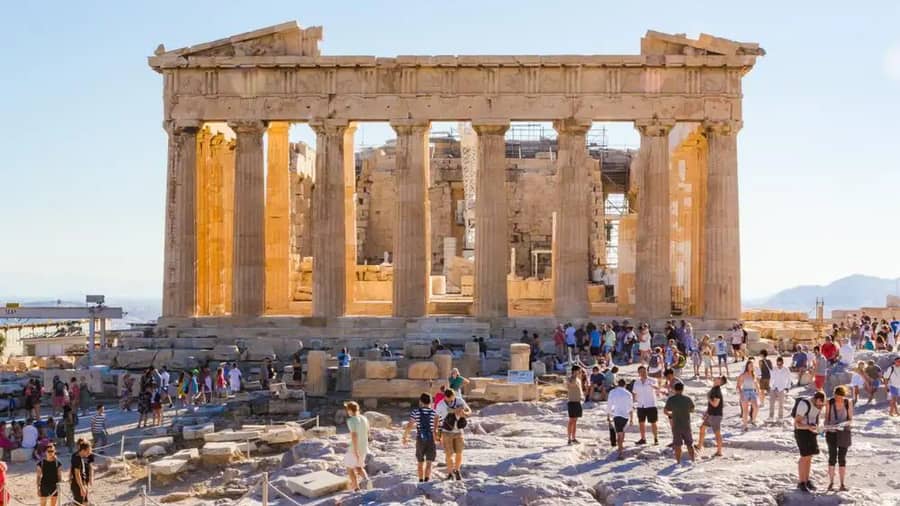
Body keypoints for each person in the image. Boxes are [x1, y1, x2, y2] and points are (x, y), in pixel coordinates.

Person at [435, 388, 471, 481]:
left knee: (459, 453)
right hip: (447, 432)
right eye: (448, 400)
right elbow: (437, 418)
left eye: (452, 399)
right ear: (445, 397)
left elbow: (469, 411)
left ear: (454, 396)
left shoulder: (459, 400)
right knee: (449, 454)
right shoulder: (440, 405)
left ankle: (457, 470)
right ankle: (450, 473)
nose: (450, 401)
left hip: (459, 431)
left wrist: (465, 414)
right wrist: (437, 433)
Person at [793, 391, 826, 493]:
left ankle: (807, 481)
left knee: (810, 456)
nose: (820, 407)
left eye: (822, 405)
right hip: (801, 432)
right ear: (816, 400)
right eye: (819, 404)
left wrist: (818, 428)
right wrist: (808, 427)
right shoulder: (804, 404)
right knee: (804, 456)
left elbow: (816, 418)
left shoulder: (819, 405)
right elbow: (797, 423)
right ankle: (801, 482)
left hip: (811, 432)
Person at [402, 393, 439, 483]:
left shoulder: (416, 412)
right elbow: (437, 428)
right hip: (431, 439)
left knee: (420, 461)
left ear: (420, 401)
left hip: (420, 438)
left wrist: (405, 436)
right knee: (429, 462)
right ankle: (426, 480)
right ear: (431, 402)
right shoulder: (435, 413)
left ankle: (420, 480)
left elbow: (410, 425)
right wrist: (438, 438)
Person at [823, 386, 852, 492]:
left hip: (844, 432)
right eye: (836, 397)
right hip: (831, 433)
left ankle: (842, 484)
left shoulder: (848, 402)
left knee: (842, 458)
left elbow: (850, 419)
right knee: (832, 457)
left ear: (843, 396)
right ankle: (831, 483)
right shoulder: (829, 402)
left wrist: (842, 425)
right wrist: (826, 427)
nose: (838, 399)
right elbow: (826, 418)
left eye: (840, 397)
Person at [663, 382, 695, 464]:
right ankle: (693, 460)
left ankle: (678, 462)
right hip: (686, 425)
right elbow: (692, 409)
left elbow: (665, 411)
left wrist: (672, 414)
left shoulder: (671, 399)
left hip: (676, 425)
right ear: (682, 389)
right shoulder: (687, 399)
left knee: (677, 445)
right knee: (689, 444)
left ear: (674, 389)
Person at [696, 376, 726, 457]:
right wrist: (707, 412)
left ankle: (719, 451)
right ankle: (699, 445)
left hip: (715, 415)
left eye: (719, 378)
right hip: (711, 414)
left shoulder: (717, 391)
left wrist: (708, 398)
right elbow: (711, 404)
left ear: (720, 382)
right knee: (702, 428)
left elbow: (715, 404)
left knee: (717, 433)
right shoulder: (714, 389)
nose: (716, 377)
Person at [343, 401, 370, 492]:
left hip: (355, 448)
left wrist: (355, 450)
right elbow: (367, 432)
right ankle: (367, 481)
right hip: (364, 447)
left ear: (350, 410)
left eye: (347, 409)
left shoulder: (351, 420)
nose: (347, 411)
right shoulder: (364, 418)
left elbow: (354, 435)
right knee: (359, 467)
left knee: (349, 468)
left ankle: (356, 488)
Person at [632, 365, 660, 445]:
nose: (643, 373)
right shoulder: (636, 382)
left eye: (644, 371)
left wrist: (653, 386)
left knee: (653, 422)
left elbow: (657, 388)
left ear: (647, 371)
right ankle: (643, 438)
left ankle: (656, 439)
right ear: (638, 373)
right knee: (641, 423)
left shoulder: (652, 380)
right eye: (641, 372)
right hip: (640, 405)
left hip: (651, 404)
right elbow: (634, 393)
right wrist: (633, 403)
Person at [607, 379, 633, 459]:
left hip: (617, 415)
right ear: (625, 385)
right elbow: (630, 407)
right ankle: (620, 447)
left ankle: (620, 452)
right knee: (622, 432)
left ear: (618, 384)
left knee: (619, 433)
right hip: (625, 415)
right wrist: (631, 419)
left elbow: (609, 404)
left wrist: (608, 415)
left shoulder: (613, 392)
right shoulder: (628, 393)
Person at [737, 360, 760, 431]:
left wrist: (758, 391)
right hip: (745, 392)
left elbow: (756, 384)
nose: (751, 367)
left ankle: (753, 420)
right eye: (750, 365)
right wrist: (741, 394)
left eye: (752, 366)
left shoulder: (754, 375)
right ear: (747, 366)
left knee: (756, 407)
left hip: (753, 392)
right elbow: (738, 386)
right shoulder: (743, 375)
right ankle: (745, 426)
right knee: (745, 410)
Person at [565, 365, 584, 444]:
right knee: (571, 420)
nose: (580, 372)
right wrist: (574, 376)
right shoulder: (570, 379)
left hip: (578, 401)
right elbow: (571, 384)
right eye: (579, 371)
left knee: (575, 421)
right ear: (575, 371)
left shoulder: (578, 379)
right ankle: (569, 438)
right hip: (572, 401)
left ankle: (574, 437)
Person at [70, 439, 93, 505]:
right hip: (77, 484)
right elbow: (77, 474)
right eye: (88, 451)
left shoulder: (81, 457)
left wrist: (88, 480)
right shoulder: (77, 458)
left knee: (85, 502)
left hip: (83, 482)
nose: (89, 453)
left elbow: (89, 466)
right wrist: (81, 487)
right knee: (79, 503)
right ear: (83, 450)